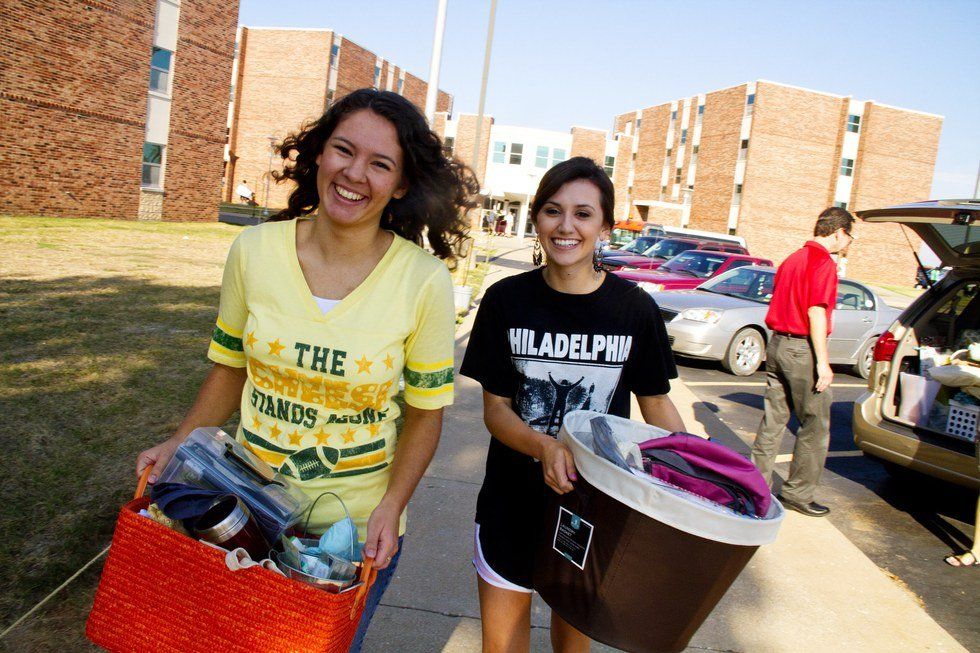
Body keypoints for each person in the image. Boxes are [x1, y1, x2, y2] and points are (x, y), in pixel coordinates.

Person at [136, 88, 478, 650]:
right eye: (344, 150)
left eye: (381, 164)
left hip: (350, 536)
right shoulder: (254, 252)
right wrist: (177, 443)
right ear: (319, 153)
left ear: (402, 185)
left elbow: (425, 415)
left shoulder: (423, 282)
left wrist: (392, 508)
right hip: (240, 513)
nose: (355, 173)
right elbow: (229, 368)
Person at [459, 157, 685, 652]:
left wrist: (693, 471)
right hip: (510, 504)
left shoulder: (634, 309)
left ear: (605, 225)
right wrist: (542, 447)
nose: (566, 227)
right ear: (537, 218)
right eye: (553, 211)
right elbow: (495, 409)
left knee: (574, 647)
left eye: (583, 214)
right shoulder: (505, 301)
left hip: (593, 510)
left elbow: (657, 408)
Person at [750, 206, 856, 517]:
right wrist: (823, 363)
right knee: (816, 424)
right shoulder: (823, 263)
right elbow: (816, 312)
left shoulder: (792, 259)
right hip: (801, 349)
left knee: (773, 421)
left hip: (777, 344)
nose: (848, 243)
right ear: (838, 232)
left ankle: (755, 488)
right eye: (849, 237)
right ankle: (798, 493)